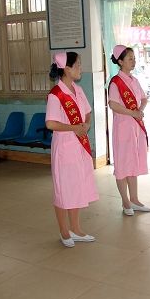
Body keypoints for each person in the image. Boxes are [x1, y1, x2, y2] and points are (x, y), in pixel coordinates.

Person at [45, 51, 98, 248]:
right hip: (64, 147)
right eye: (78, 65)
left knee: (76, 187)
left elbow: (87, 112)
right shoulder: (56, 95)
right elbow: (50, 123)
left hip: (79, 144)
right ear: (67, 69)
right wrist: (73, 128)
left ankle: (76, 229)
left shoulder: (78, 90)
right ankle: (64, 231)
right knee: (63, 190)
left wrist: (86, 124)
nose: (80, 68)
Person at [108, 45, 150, 216]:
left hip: (135, 127)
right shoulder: (116, 82)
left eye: (134, 58)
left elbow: (144, 98)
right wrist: (133, 113)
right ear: (120, 61)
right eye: (130, 59)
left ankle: (135, 199)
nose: (133, 61)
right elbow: (113, 104)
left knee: (133, 161)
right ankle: (125, 202)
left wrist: (139, 110)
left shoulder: (134, 80)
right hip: (123, 128)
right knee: (122, 164)